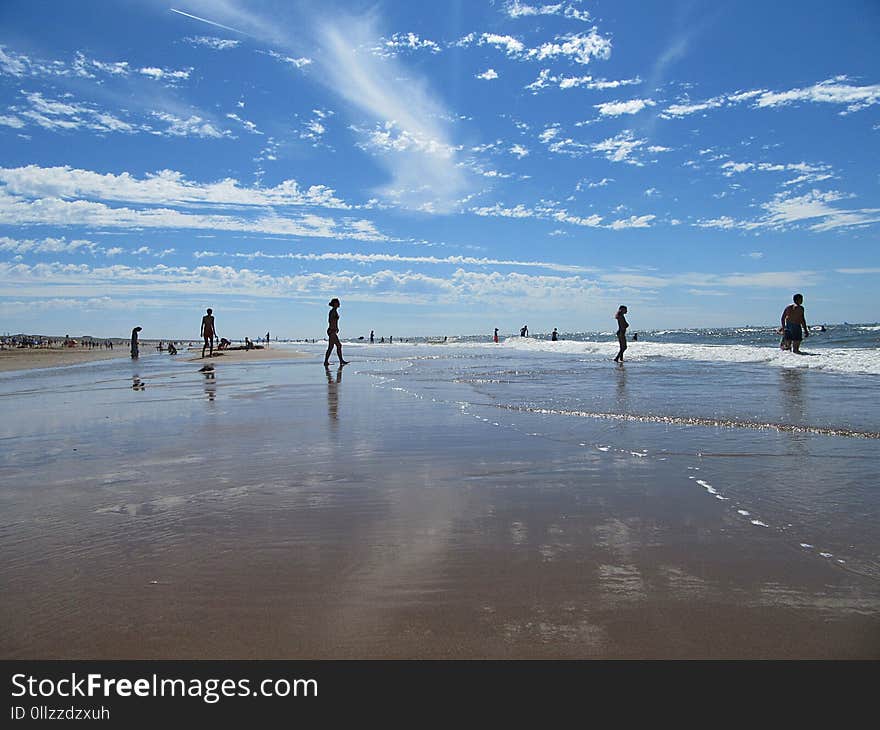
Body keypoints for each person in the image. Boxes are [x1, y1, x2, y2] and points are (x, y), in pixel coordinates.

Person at [324, 298, 349, 366]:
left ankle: (326, 362)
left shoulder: (335, 311)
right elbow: (330, 321)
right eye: (338, 302)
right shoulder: (332, 311)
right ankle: (341, 361)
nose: (339, 304)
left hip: (333, 331)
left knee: (331, 347)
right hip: (331, 331)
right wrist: (333, 329)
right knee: (338, 345)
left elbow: (335, 321)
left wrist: (337, 328)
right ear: (335, 303)